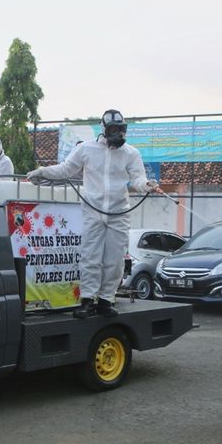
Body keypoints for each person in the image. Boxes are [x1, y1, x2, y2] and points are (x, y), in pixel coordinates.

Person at [27, 109, 162, 318]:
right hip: (92, 211)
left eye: (121, 129)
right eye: (114, 129)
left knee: (115, 259)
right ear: (104, 129)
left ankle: (106, 300)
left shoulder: (131, 153)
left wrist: (146, 185)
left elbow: (137, 179)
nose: (118, 134)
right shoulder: (86, 149)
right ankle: (87, 300)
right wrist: (42, 172)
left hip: (119, 212)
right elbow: (65, 170)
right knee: (90, 257)